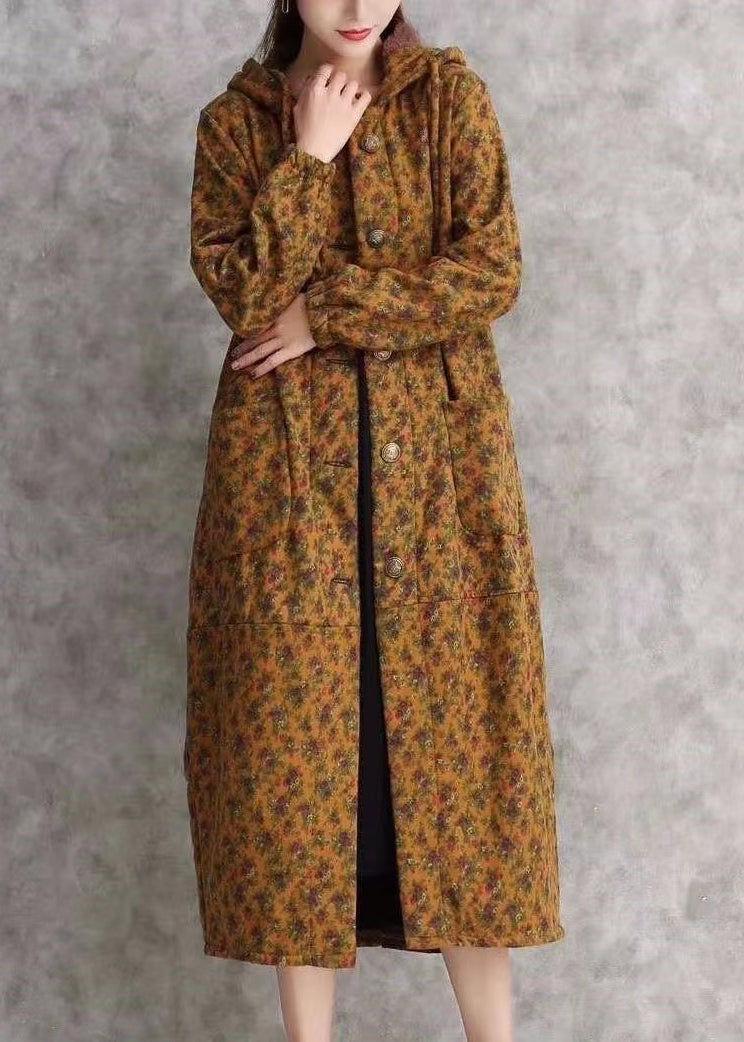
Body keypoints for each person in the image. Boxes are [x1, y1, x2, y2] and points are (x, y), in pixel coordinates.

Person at [184, 3, 564, 1040]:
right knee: (294, 781)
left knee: (462, 770)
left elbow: (490, 270)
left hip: (439, 483)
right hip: (289, 492)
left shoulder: (449, 100)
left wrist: (329, 312)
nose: (356, 6)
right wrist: (308, 157)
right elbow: (245, 292)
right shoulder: (237, 124)